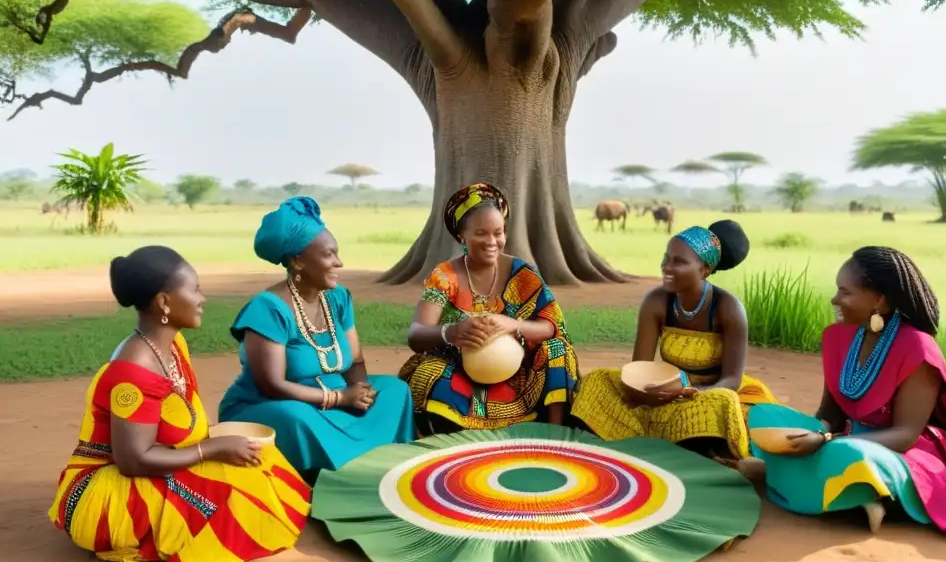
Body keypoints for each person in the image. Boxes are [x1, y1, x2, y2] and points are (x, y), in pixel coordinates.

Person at [48, 246, 310, 562]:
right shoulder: (133, 372)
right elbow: (133, 461)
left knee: (262, 462)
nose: (203, 299)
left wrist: (215, 447)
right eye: (195, 289)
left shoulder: (171, 346)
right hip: (106, 497)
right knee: (241, 494)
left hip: (155, 462)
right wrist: (212, 448)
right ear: (165, 303)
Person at [746, 246, 946, 540]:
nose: (835, 299)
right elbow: (829, 412)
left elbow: (906, 434)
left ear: (878, 299)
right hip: (841, 437)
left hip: (899, 450)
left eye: (845, 292)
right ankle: (847, 494)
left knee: (850, 455)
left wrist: (827, 440)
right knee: (763, 415)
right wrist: (816, 432)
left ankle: (857, 494)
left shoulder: (918, 348)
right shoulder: (838, 336)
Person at [219, 197, 415, 479]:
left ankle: (371, 461)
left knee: (395, 391)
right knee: (297, 420)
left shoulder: (337, 298)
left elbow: (355, 360)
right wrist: (339, 398)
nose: (339, 262)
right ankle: (332, 477)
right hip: (276, 405)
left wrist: (361, 393)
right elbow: (272, 385)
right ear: (297, 261)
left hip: (338, 398)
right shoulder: (268, 309)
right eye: (329, 255)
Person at [570, 221, 776, 460]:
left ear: (705, 269)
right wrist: (643, 390)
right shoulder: (656, 302)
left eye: (679, 262)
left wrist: (689, 391)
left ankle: (675, 441)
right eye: (666, 258)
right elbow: (639, 368)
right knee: (598, 380)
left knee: (724, 402)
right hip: (663, 387)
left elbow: (731, 380)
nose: (667, 267)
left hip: (706, 393)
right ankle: (659, 437)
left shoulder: (728, 308)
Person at [400, 183, 580, 434]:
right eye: (481, 233)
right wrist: (451, 332)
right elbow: (416, 334)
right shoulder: (445, 276)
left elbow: (552, 327)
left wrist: (513, 325)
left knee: (558, 351)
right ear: (462, 235)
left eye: (498, 233)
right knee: (426, 372)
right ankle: (447, 432)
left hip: (520, 375)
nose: (491, 242)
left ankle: (554, 434)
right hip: (462, 372)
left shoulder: (523, 274)